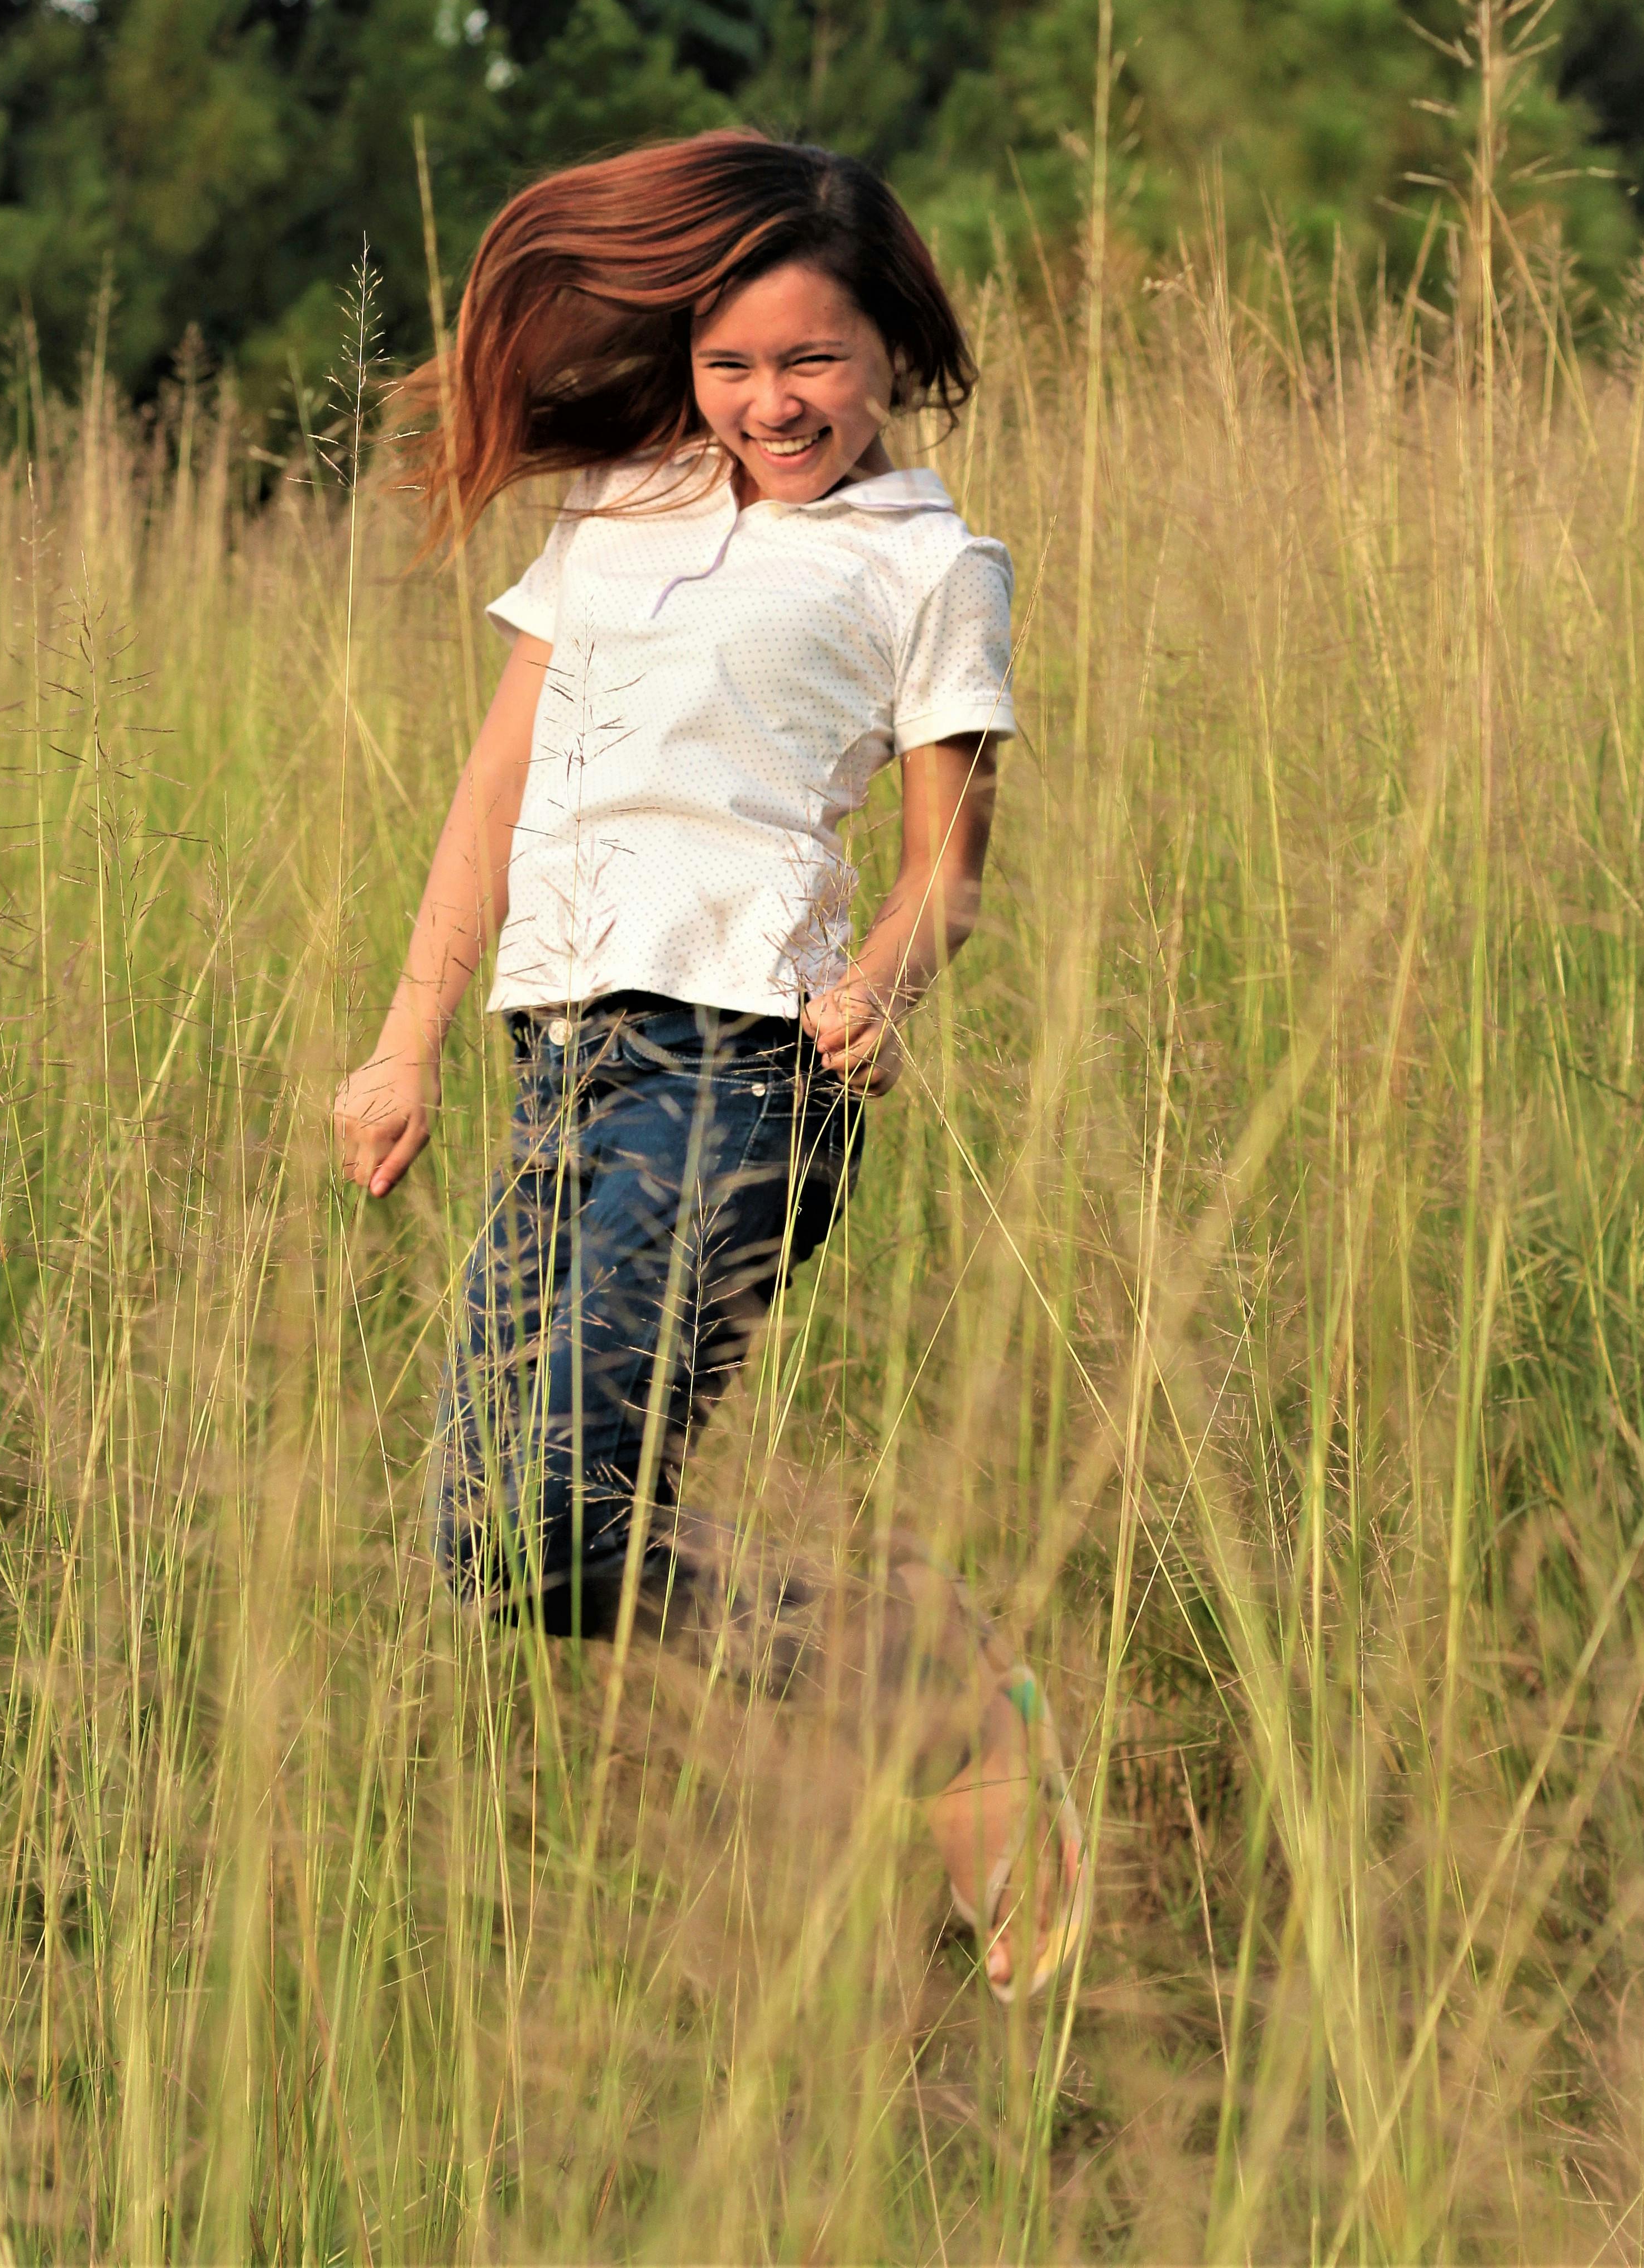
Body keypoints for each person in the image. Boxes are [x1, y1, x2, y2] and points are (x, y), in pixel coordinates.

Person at [333, 132, 1083, 2000]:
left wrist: (886, 987)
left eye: (811, 361)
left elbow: (946, 876)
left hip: (748, 1074)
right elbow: (495, 792)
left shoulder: (933, 565)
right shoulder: (623, 515)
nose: (772, 403)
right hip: (564, 1064)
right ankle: (904, 1664)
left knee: (564, 1504)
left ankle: (951, 1715)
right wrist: (403, 1039)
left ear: (887, 348)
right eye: (734, 365)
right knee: (485, 1546)